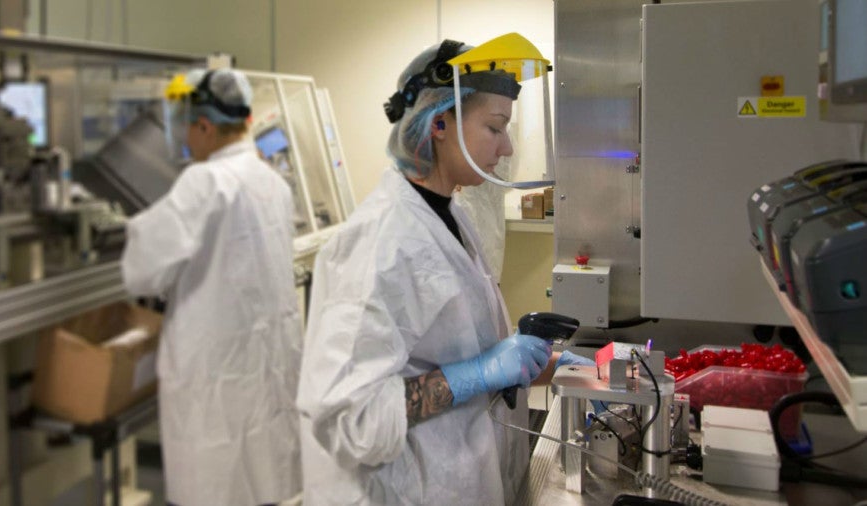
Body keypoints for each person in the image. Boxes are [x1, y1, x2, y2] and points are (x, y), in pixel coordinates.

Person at [296, 36, 586, 505]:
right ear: (439, 124)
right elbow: (350, 421)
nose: (507, 145)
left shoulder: (449, 214)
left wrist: (545, 365)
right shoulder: (379, 244)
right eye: (495, 128)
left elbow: (450, 345)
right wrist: (476, 373)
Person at [121, 68, 302, 506]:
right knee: (261, 479)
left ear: (203, 125)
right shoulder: (271, 182)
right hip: (263, 368)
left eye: (187, 128)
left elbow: (144, 267)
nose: (185, 139)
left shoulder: (206, 181)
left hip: (217, 373)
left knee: (219, 482)